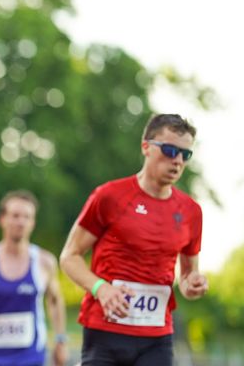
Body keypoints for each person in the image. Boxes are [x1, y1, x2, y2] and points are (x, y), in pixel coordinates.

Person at [59, 113, 209, 366]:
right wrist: (102, 288)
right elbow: (69, 257)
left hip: (157, 336)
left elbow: (186, 278)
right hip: (105, 330)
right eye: (170, 150)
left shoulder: (191, 211)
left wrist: (192, 284)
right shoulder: (110, 196)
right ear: (146, 147)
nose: (178, 161)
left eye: (186, 155)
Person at [0, 190, 68, 366]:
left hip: (32, 355)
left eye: (27, 217)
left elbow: (55, 300)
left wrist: (61, 340)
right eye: (15, 216)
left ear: (33, 222)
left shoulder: (45, 262)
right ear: (2, 219)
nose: (21, 222)